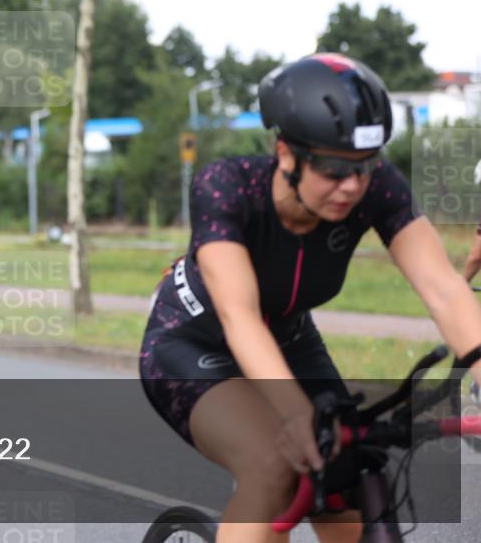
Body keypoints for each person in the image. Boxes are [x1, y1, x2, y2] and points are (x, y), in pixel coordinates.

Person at [138, 53, 481, 543]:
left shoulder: (375, 189)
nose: (351, 187)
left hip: (291, 340)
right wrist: (298, 418)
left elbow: (444, 288)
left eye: (364, 168)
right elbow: (240, 320)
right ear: (285, 154)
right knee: (274, 465)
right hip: (192, 344)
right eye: (332, 169)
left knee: (353, 477)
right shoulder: (228, 187)